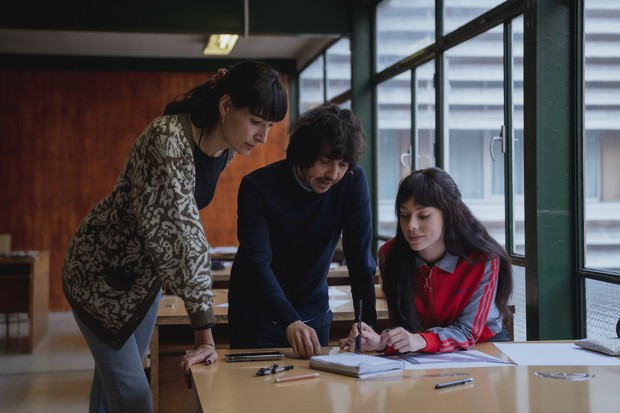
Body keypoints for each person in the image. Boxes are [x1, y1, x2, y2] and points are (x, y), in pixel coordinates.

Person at [62, 60, 288, 413]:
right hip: (99, 275)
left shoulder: (224, 148)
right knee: (134, 397)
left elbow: (183, 226)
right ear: (225, 106)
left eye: (270, 125)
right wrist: (203, 334)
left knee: (112, 391)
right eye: (256, 121)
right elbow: (183, 232)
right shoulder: (167, 140)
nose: (263, 137)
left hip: (144, 279)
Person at [227, 103, 377, 359]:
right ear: (303, 154)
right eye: (325, 161)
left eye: (342, 164)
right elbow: (257, 262)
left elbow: (360, 259)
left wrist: (368, 327)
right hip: (257, 315)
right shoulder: (258, 187)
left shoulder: (351, 181)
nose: (333, 174)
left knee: (312, 396)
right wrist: (290, 321)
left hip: (313, 312)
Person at [339, 167, 513, 354]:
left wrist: (421, 340)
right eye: (404, 215)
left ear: (449, 214)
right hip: (425, 352)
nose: (411, 226)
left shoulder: (482, 259)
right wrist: (381, 341)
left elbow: (467, 331)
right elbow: (404, 327)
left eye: (423, 216)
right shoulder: (390, 256)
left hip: (484, 348)